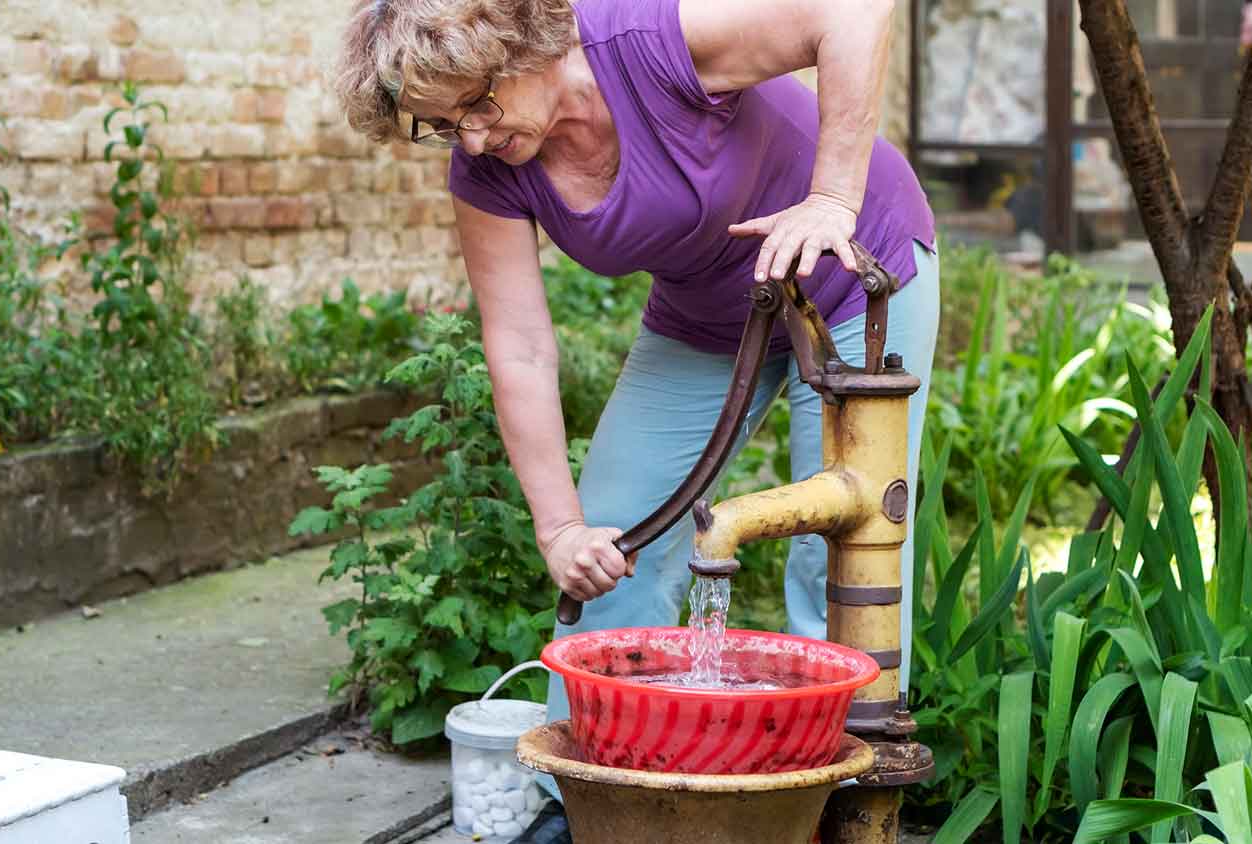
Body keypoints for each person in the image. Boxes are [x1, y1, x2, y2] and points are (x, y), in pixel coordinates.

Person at [335, 1, 938, 840]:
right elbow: (519, 349)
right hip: (704, 313)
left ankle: (830, 814)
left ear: (523, 43)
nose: (469, 139)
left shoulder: (648, 41)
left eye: (475, 106)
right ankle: (585, 811)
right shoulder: (488, 172)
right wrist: (559, 529)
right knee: (613, 543)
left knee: (835, 557)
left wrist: (832, 198)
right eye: (441, 127)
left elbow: (852, 10)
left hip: (851, 274)